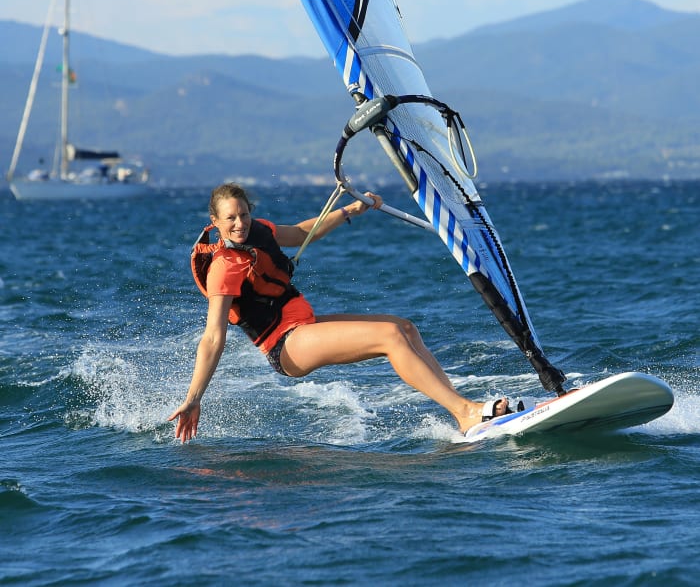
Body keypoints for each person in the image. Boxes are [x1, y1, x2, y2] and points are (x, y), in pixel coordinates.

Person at [169, 182, 509, 443]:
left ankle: (461, 411)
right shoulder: (223, 268)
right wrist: (193, 398)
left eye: (243, 214)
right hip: (285, 344)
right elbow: (213, 337)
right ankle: (466, 413)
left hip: (303, 324)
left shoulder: (259, 231)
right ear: (215, 221)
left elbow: (302, 232)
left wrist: (350, 210)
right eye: (230, 218)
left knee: (404, 328)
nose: (240, 223)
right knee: (389, 337)